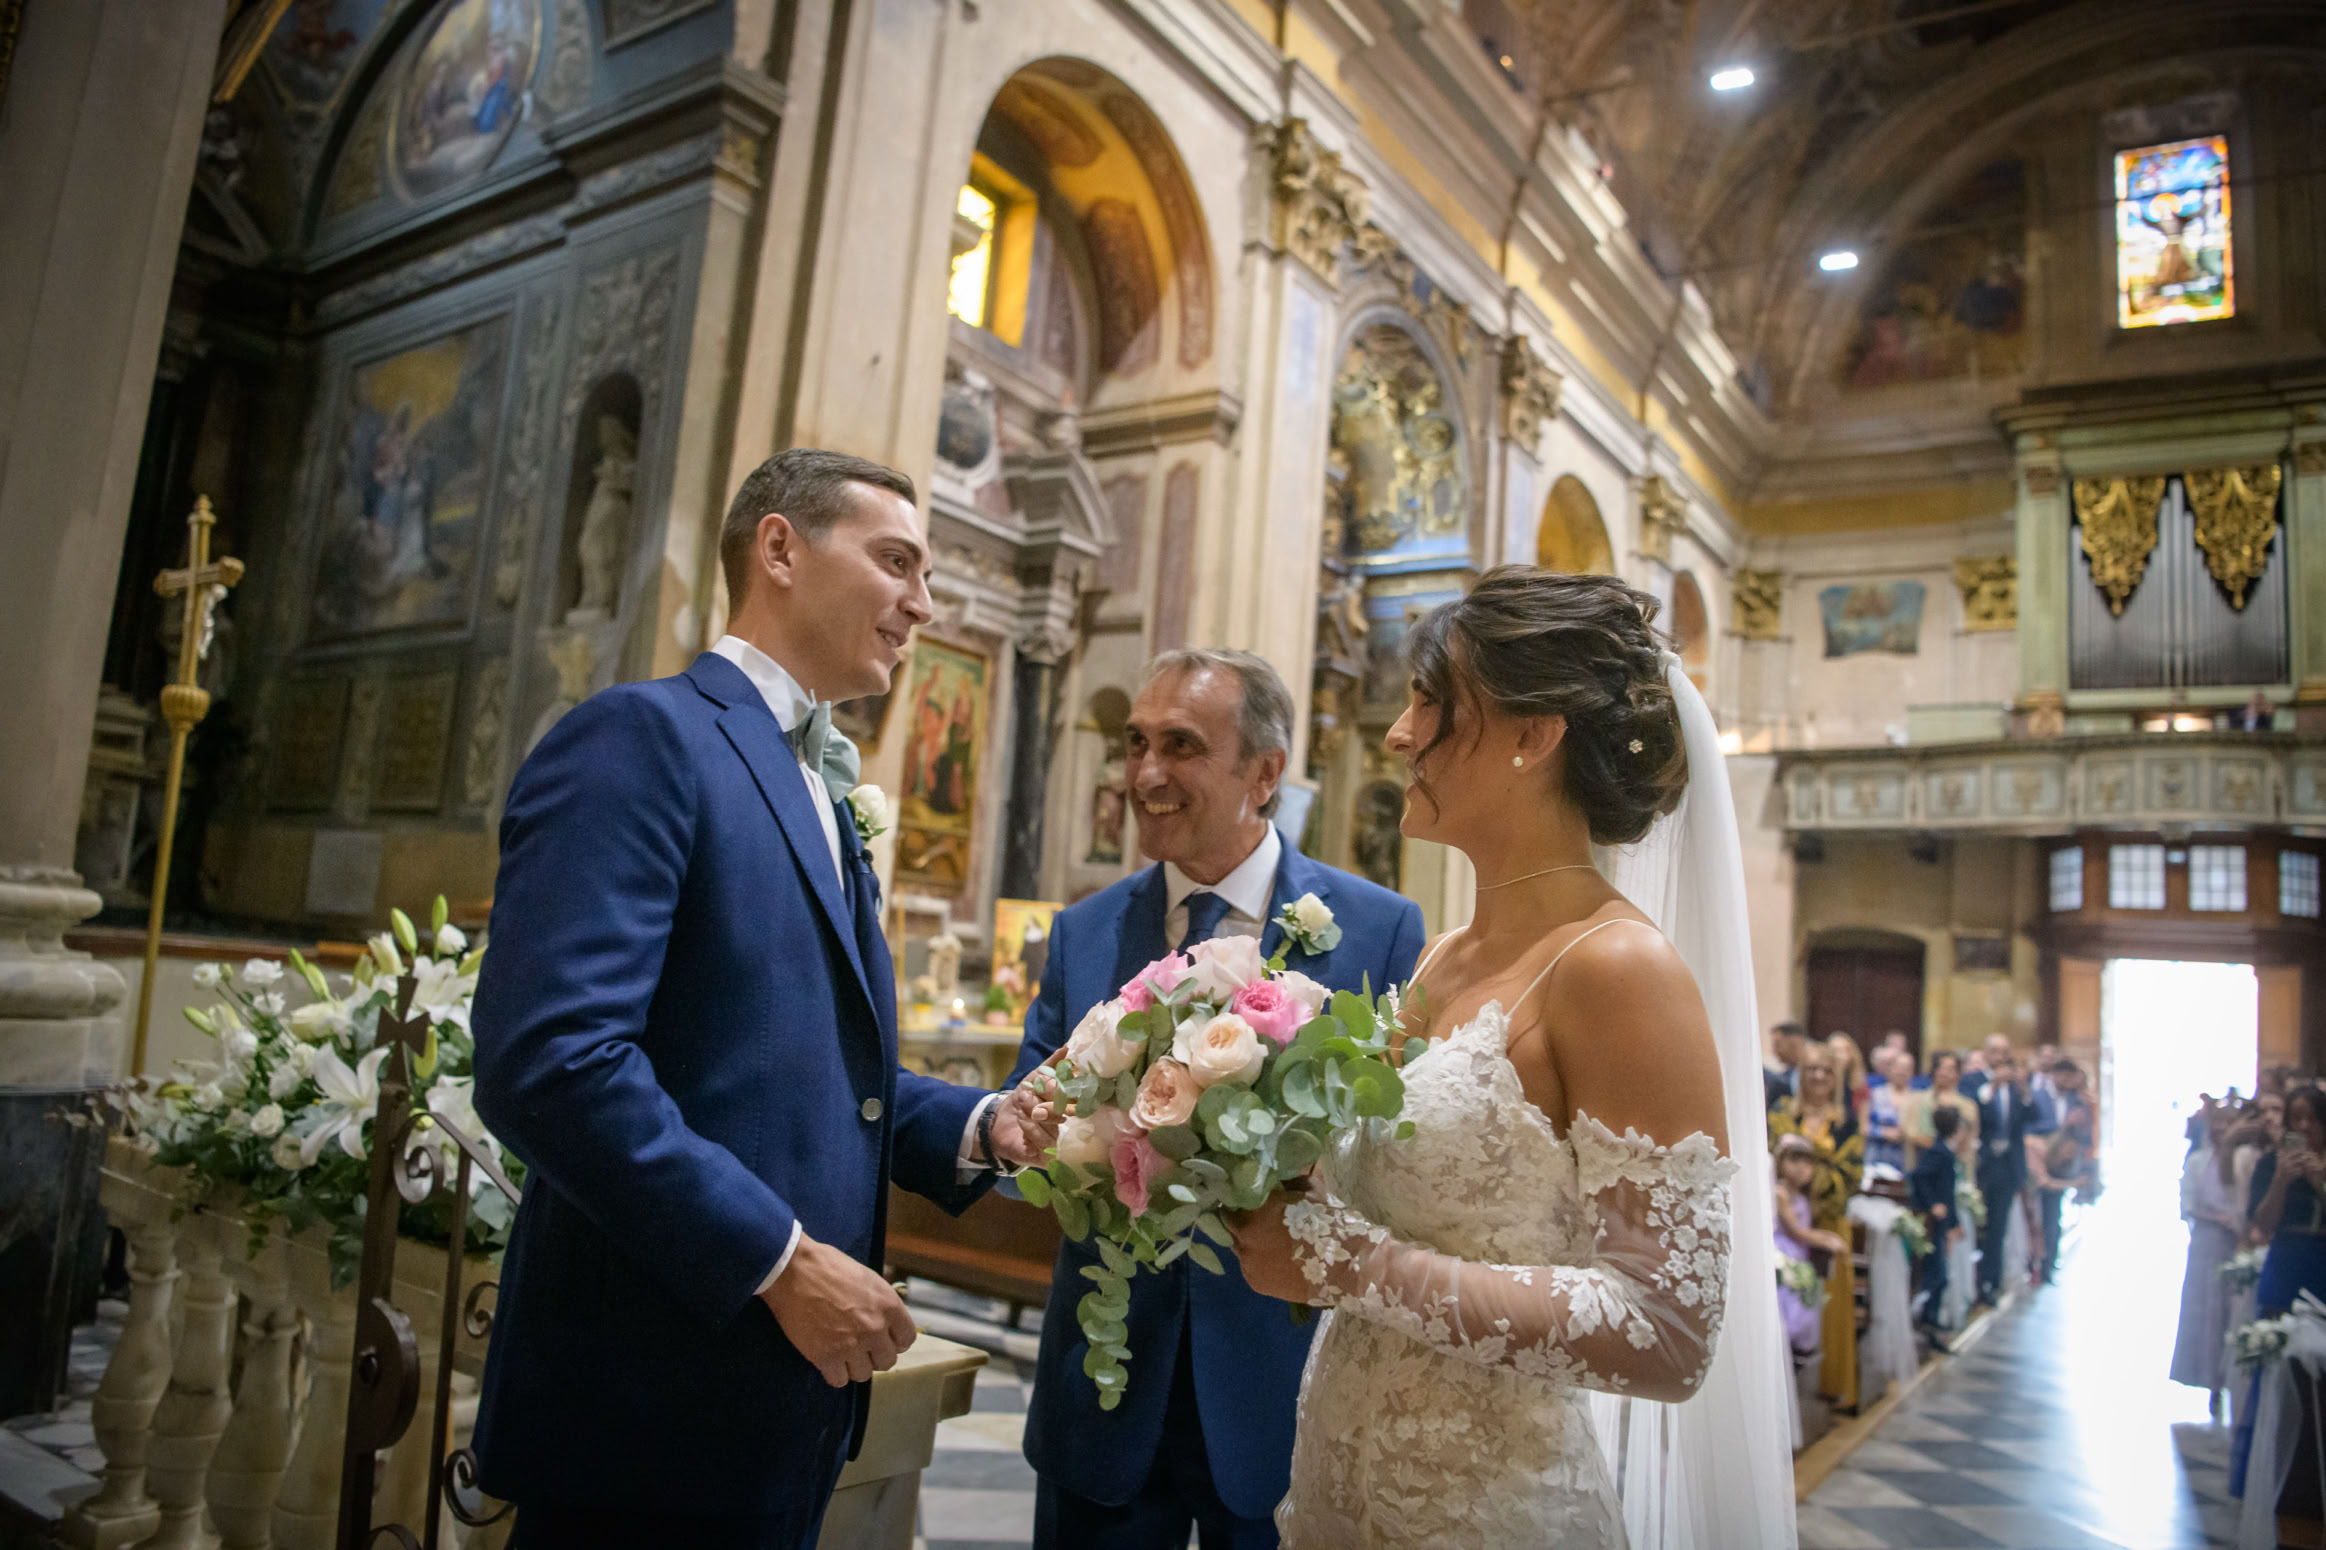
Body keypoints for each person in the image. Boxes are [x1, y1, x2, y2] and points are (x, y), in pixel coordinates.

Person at [468, 449, 1060, 1547]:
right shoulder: (644, 739)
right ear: (780, 547)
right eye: (896, 561)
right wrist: (778, 1260)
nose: (922, 604)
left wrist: (983, 1123)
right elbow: (551, 1061)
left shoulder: (825, 787)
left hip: (775, 1408)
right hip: (647, 1404)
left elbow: (805, 1066)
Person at [1225, 567, 1796, 1548]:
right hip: (1337, 1472)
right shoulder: (1444, 953)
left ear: (1535, 735)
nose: (1398, 734)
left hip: (1486, 1501)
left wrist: (1354, 1265)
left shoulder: (1619, 969)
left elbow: (1665, 1330)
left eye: (1431, 701)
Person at [999, 649, 1425, 1550]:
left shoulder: (1378, 930)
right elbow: (1026, 1117)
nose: (1146, 775)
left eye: (1181, 746)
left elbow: (1396, 1155)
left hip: (1279, 1386)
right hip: (1105, 1382)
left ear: (1264, 773)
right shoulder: (1083, 932)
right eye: (1137, 743)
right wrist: (1034, 1132)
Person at [1771, 1044, 1866, 1408]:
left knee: (1828, 1306)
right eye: (1811, 1069)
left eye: (1826, 1071)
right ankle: (1780, 1393)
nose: (1818, 1077)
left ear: (1835, 1078)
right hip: (1782, 1222)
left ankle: (1827, 1390)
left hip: (1826, 1221)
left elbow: (1852, 1174)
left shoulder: (1845, 1122)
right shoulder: (1782, 1114)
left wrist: (1809, 1180)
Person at [2172, 1103, 2243, 1419]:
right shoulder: (2199, 1161)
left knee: (2231, 1309)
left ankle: (2231, 1379)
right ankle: (2208, 1377)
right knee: (2207, 1308)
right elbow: (2187, 1203)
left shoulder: (2243, 1162)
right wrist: (2212, 1216)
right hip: (2207, 1242)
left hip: (2236, 1242)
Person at [1773, 1135, 1843, 1361]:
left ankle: (1795, 1354)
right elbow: (1796, 1231)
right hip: (1786, 1250)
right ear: (1781, 1162)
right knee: (1789, 1310)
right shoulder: (1780, 1192)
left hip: (1800, 1252)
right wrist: (1827, 1240)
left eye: (1807, 1162)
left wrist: (1828, 1236)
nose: (1802, 1167)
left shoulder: (1802, 1194)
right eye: (1794, 1160)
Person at [1974, 1052, 2032, 1308]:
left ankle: (1991, 1283)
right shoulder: (1985, 1092)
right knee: (1979, 1226)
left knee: (1997, 1227)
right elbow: (1980, 1119)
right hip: (1984, 1166)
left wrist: (2023, 1088)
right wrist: (1992, 1089)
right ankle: (1977, 1282)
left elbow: (2034, 1116)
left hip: (2007, 1168)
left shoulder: (2018, 1095)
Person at [1909, 1105, 1961, 1349]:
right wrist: (1932, 1204)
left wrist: (1954, 1222)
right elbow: (1919, 1176)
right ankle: (1927, 1320)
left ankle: (1931, 1320)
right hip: (1933, 1221)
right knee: (1936, 1275)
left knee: (1940, 1274)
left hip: (1941, 1222)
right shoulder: (1940, 1152)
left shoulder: (1943, 1151)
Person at [1907, 1051, 1980, 1167]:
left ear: (1958, 1074)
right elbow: (1910, 1132)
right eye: (1941, 1068)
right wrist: (1937, 1147)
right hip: (1922, 1162)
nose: (1944, 1073)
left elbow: (1969, 1138)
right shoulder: (1916, 1100)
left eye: (1950, 1069)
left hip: (1955, 1164)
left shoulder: (1968, 1105)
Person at [1865, 1047, 1911, 1173]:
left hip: (1906, 1164)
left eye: (1906, 1068)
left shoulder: (1917, 1098)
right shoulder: (1875, 1095)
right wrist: (1883, 1132)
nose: (1902, 1072)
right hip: (1876, 1161)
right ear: (1890, 1069)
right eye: (1898, 1067)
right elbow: (1862, 1126)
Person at [1828, 1032, 1870, 1125]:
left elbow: (1863, 1123)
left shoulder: (1860, 1084)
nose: (1839, 1056)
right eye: (1835, 1051)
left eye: (1845, 1050)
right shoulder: (1821, 1080)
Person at [1764, 1021, 1806, 1109]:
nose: (1774, 1051)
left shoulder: (1819, 1070)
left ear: (1794, 1043)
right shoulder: (1789, 1073)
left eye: (1777, 1045)